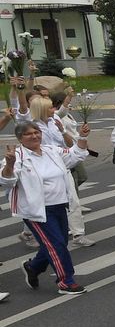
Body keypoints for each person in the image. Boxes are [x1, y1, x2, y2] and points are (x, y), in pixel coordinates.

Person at [3, 119, 91, 295]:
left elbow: (76, 155)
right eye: (29, 134)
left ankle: (33, 267)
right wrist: (10, 164)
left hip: (59, 205)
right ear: (20, 138)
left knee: (57, 242)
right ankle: (66, 281)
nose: (34, 136)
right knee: (57, 244)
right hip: (37, 211)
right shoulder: (19, 156)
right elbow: (7, 180)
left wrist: (82, 136)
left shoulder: (51, 150)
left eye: (37, 132)